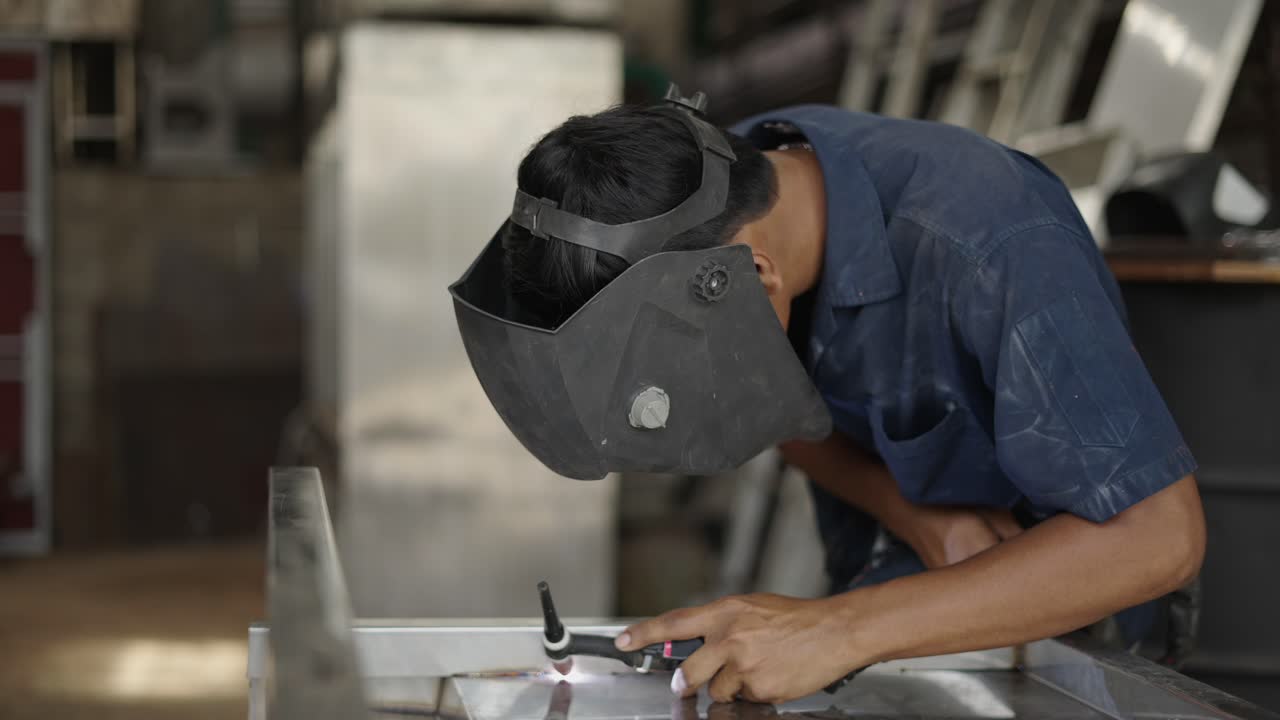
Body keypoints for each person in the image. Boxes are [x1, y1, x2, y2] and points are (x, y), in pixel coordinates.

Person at [498, 103, 1205, 704]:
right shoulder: (722, 187)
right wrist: (915, 514)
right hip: (893, 604)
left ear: (754, 276)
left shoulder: (993, 242)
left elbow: (1160, 536)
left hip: (1072, 636)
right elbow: (765, 403)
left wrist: (838, 629)